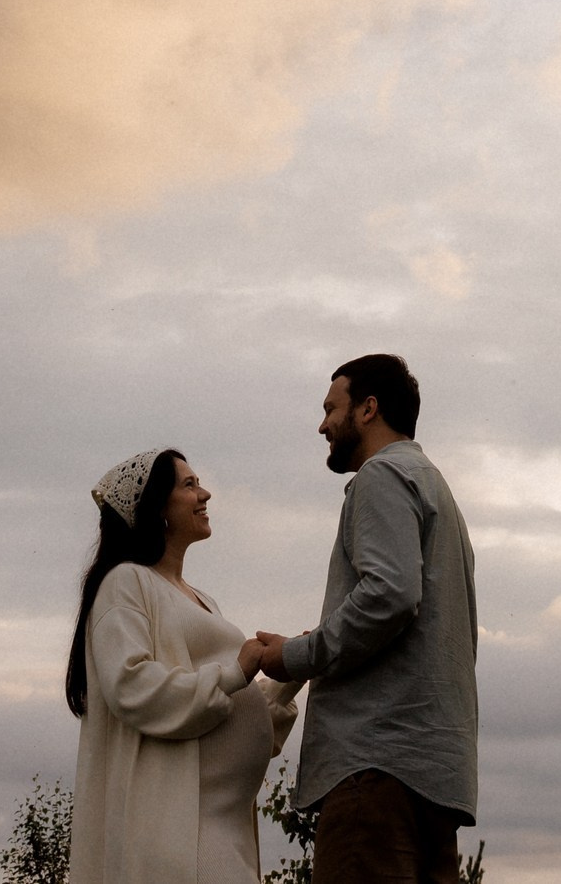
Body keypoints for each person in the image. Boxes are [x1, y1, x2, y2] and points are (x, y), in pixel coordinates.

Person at [251, 355, 478, 884]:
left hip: (374, 772)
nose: (323, 425)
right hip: (436, 779)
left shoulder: (382, 476)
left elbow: (390, 595)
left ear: (368, 409)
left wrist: (294, 656)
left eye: (332, 408)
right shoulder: (438, 492)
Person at [67, 447, 302, 884]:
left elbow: (227, 707)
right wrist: (236, 671)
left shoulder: (202, 599)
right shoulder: (126, 582)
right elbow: (131, 685)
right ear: (155, 507)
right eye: (189, 485)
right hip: (177, 826)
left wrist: (294, 670)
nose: (204, 494)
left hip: (223, 827)